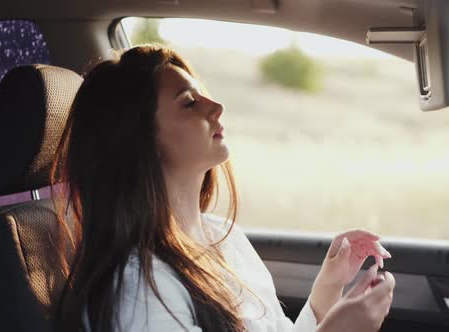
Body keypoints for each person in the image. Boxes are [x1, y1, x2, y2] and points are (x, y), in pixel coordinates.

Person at [52, 44, 395, 332]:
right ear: (139, 141)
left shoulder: (222, 236)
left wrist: (329, 287)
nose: (216, 107)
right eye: (189, 102)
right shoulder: (139, 288)